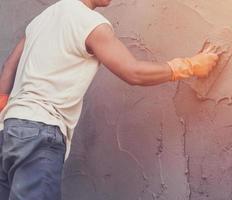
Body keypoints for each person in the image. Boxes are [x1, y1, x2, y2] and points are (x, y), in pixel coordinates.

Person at [0, 0, 219, 199]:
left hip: (9, 130)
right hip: (41, 130)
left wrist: (3, 111)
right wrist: (190, 66)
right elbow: (133, 72)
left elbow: (9, 65)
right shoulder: (90, 23)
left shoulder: (43, 18)